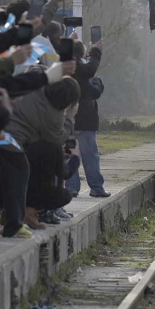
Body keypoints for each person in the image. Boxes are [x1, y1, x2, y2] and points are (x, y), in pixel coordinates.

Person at [0, 78, 80, 237]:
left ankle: (4, 214)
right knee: (19, 175)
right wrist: (70, 117)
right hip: (11, 139)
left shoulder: (38, 87)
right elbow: (59, 137)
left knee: (2, 173)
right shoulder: (54, 115)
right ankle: (15, 224)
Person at [66, 39, 109, 198]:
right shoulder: (84, 73)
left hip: (67, 120)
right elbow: (94, 92)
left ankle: (71, 187)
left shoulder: (62, 69)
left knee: (69, 153)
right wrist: (98, 83)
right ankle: (96, 187)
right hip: (85, 119)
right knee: (90, 155)